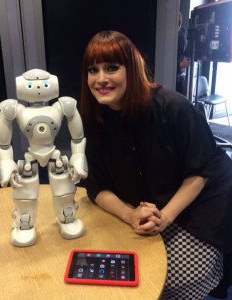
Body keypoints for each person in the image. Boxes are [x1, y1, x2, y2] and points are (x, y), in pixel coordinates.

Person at [79, 30, 232, 299]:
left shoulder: (174, 108)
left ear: (132, 69)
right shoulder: (94, 120)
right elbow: (96, 186)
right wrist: (130, 216)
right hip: (145, 208)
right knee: (114, 275)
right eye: (93, 70)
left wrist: (166, 216)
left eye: (112, 68)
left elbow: (201, 172)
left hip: (197, 207)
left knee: (165, 281)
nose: (101, 79)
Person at [176, 12, 191, 95]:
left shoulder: (183, 32)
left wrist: (188, 58)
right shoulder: (168, 35)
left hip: (182, 74)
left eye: (180, 21)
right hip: (173, 73)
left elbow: (185, 50)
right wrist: (178, 65)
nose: (179, 23)